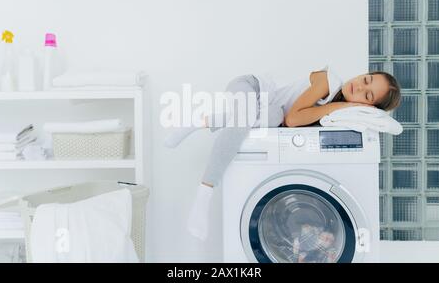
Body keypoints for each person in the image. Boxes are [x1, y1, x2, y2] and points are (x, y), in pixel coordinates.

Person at [165, 66, 401, 240]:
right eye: (366, 79)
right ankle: (204, 193)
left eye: (367, 94)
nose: (360, 86)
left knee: (267, 119)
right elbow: (294, 118)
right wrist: (344, 105)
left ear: (367, 106)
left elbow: (287, 121)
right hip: (250, 87)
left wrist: (345, 108)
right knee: (247, 120)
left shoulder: (334, 117)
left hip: (268, 112)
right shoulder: (329, 81)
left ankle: (197, 121)